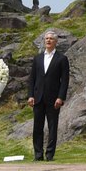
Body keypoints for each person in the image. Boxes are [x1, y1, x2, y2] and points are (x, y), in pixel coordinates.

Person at [28, 29, 70, 161]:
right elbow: (32, 79)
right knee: (37, 127)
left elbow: (65, 80)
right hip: (38, 98)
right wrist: (30, 95)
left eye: (51, 39)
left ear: (56, 42)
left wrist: (60, 97)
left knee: (52, 127)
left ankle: (50, 154)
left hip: (53, 99)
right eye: (46, 38)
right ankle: (38, 154)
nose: (48, 40)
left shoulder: (62, 59)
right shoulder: (38, 58)